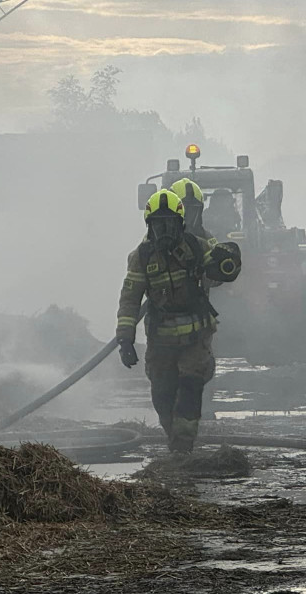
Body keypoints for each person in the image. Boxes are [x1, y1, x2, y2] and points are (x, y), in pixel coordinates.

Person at [116, 189, 242, 452]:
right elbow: (129, 299)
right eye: (158, 224)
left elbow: (219, 271)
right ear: (149, 225)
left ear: (180, 223)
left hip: (196, 339)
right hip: (160, 341)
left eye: (169, 224)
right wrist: (125, 339)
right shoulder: (141, 257)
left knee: (189, 389)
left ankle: (183, 451)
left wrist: (228, 258)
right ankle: (176, 440)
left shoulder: (196, 246)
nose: (164, 231)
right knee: (162, 396)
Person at [170, 177, 216, 245]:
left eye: (192, 209)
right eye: (182, 209)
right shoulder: (157, 239)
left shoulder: (208, 240)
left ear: (199, 211)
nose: (187, 214)